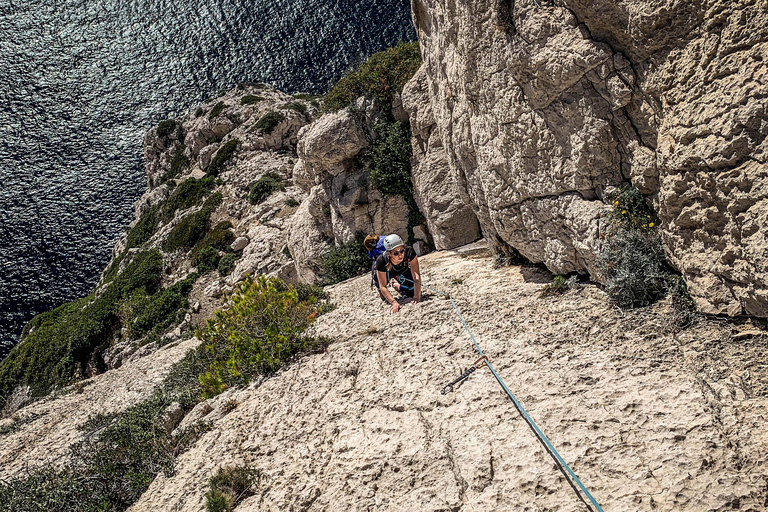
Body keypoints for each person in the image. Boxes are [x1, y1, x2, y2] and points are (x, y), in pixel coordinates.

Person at [374, 234, 421, 313]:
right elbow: (383, 286)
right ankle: (388, 285)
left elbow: (416, 276)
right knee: (385, 296)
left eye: (402, 251)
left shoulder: (409, 252)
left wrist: (417, 297)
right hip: (387, 273)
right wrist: (394, 303)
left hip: (402, 269)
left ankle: (396, 285)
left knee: (411, 292)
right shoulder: (381, 261)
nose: (400, 255)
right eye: (396, 253)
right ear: (389, 253)